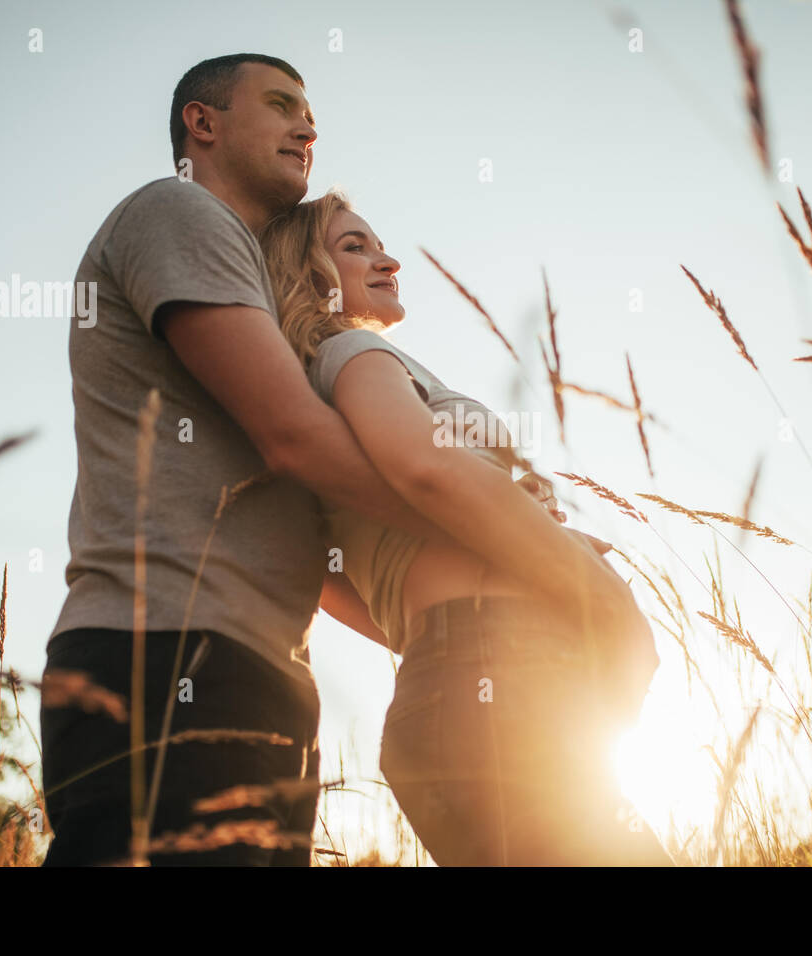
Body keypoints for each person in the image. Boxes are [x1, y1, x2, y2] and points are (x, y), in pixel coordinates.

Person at [39, 54, 643, 866]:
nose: (308, 126)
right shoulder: (178, 212)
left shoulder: (281, 329)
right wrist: (539, 555)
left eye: (311, 113)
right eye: (281, 104)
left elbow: (320, 554)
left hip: (266, 674)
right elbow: (308, 444)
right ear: (202, 123)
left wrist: (449, 627)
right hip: (166, 652)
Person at [260, 190, 673, 865]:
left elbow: (322, 579)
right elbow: (425, 467)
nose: (386, 258)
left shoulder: (314, 397)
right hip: (505, 669)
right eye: (353, 246)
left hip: (449, 687)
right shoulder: (351, 354)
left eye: (378, 242)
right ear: (309, 277)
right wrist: (591, 592)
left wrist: (441, 631)